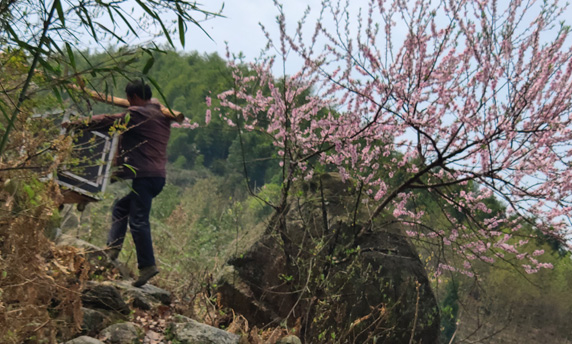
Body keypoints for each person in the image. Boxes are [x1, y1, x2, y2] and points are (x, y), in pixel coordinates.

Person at [71, 80, 172, 287]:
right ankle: (113, 249)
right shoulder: (160, 116)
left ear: (133, 98)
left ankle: (147, 266)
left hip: (145, 177)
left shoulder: (139, 114)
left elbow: (109, 120)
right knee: (121, 207)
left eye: (129, 100)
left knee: (138, 220)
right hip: (156, 177)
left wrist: (78, 123)